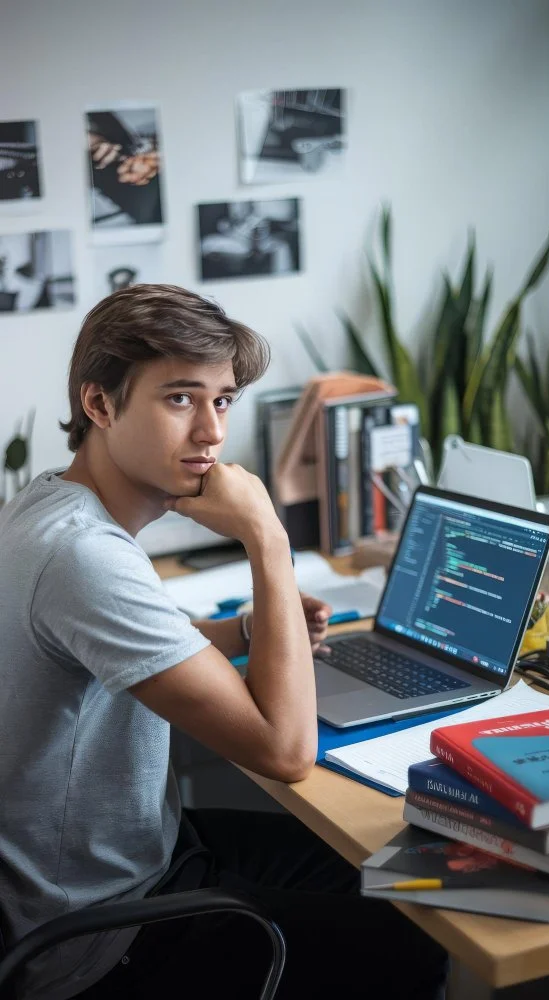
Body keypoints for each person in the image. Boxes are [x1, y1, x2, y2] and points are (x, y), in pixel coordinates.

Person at [0, 284, 448, 1000]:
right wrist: (265, 536)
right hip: (101, 934)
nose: (211, 432)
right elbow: (285, 752)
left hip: (132, 857)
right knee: (420, 935)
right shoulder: (85, 556)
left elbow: (115, 645)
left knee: (395, 873)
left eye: (223, 400)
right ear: (100, 404)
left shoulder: (47, 504)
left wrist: (242, 631)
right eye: (179, 399)